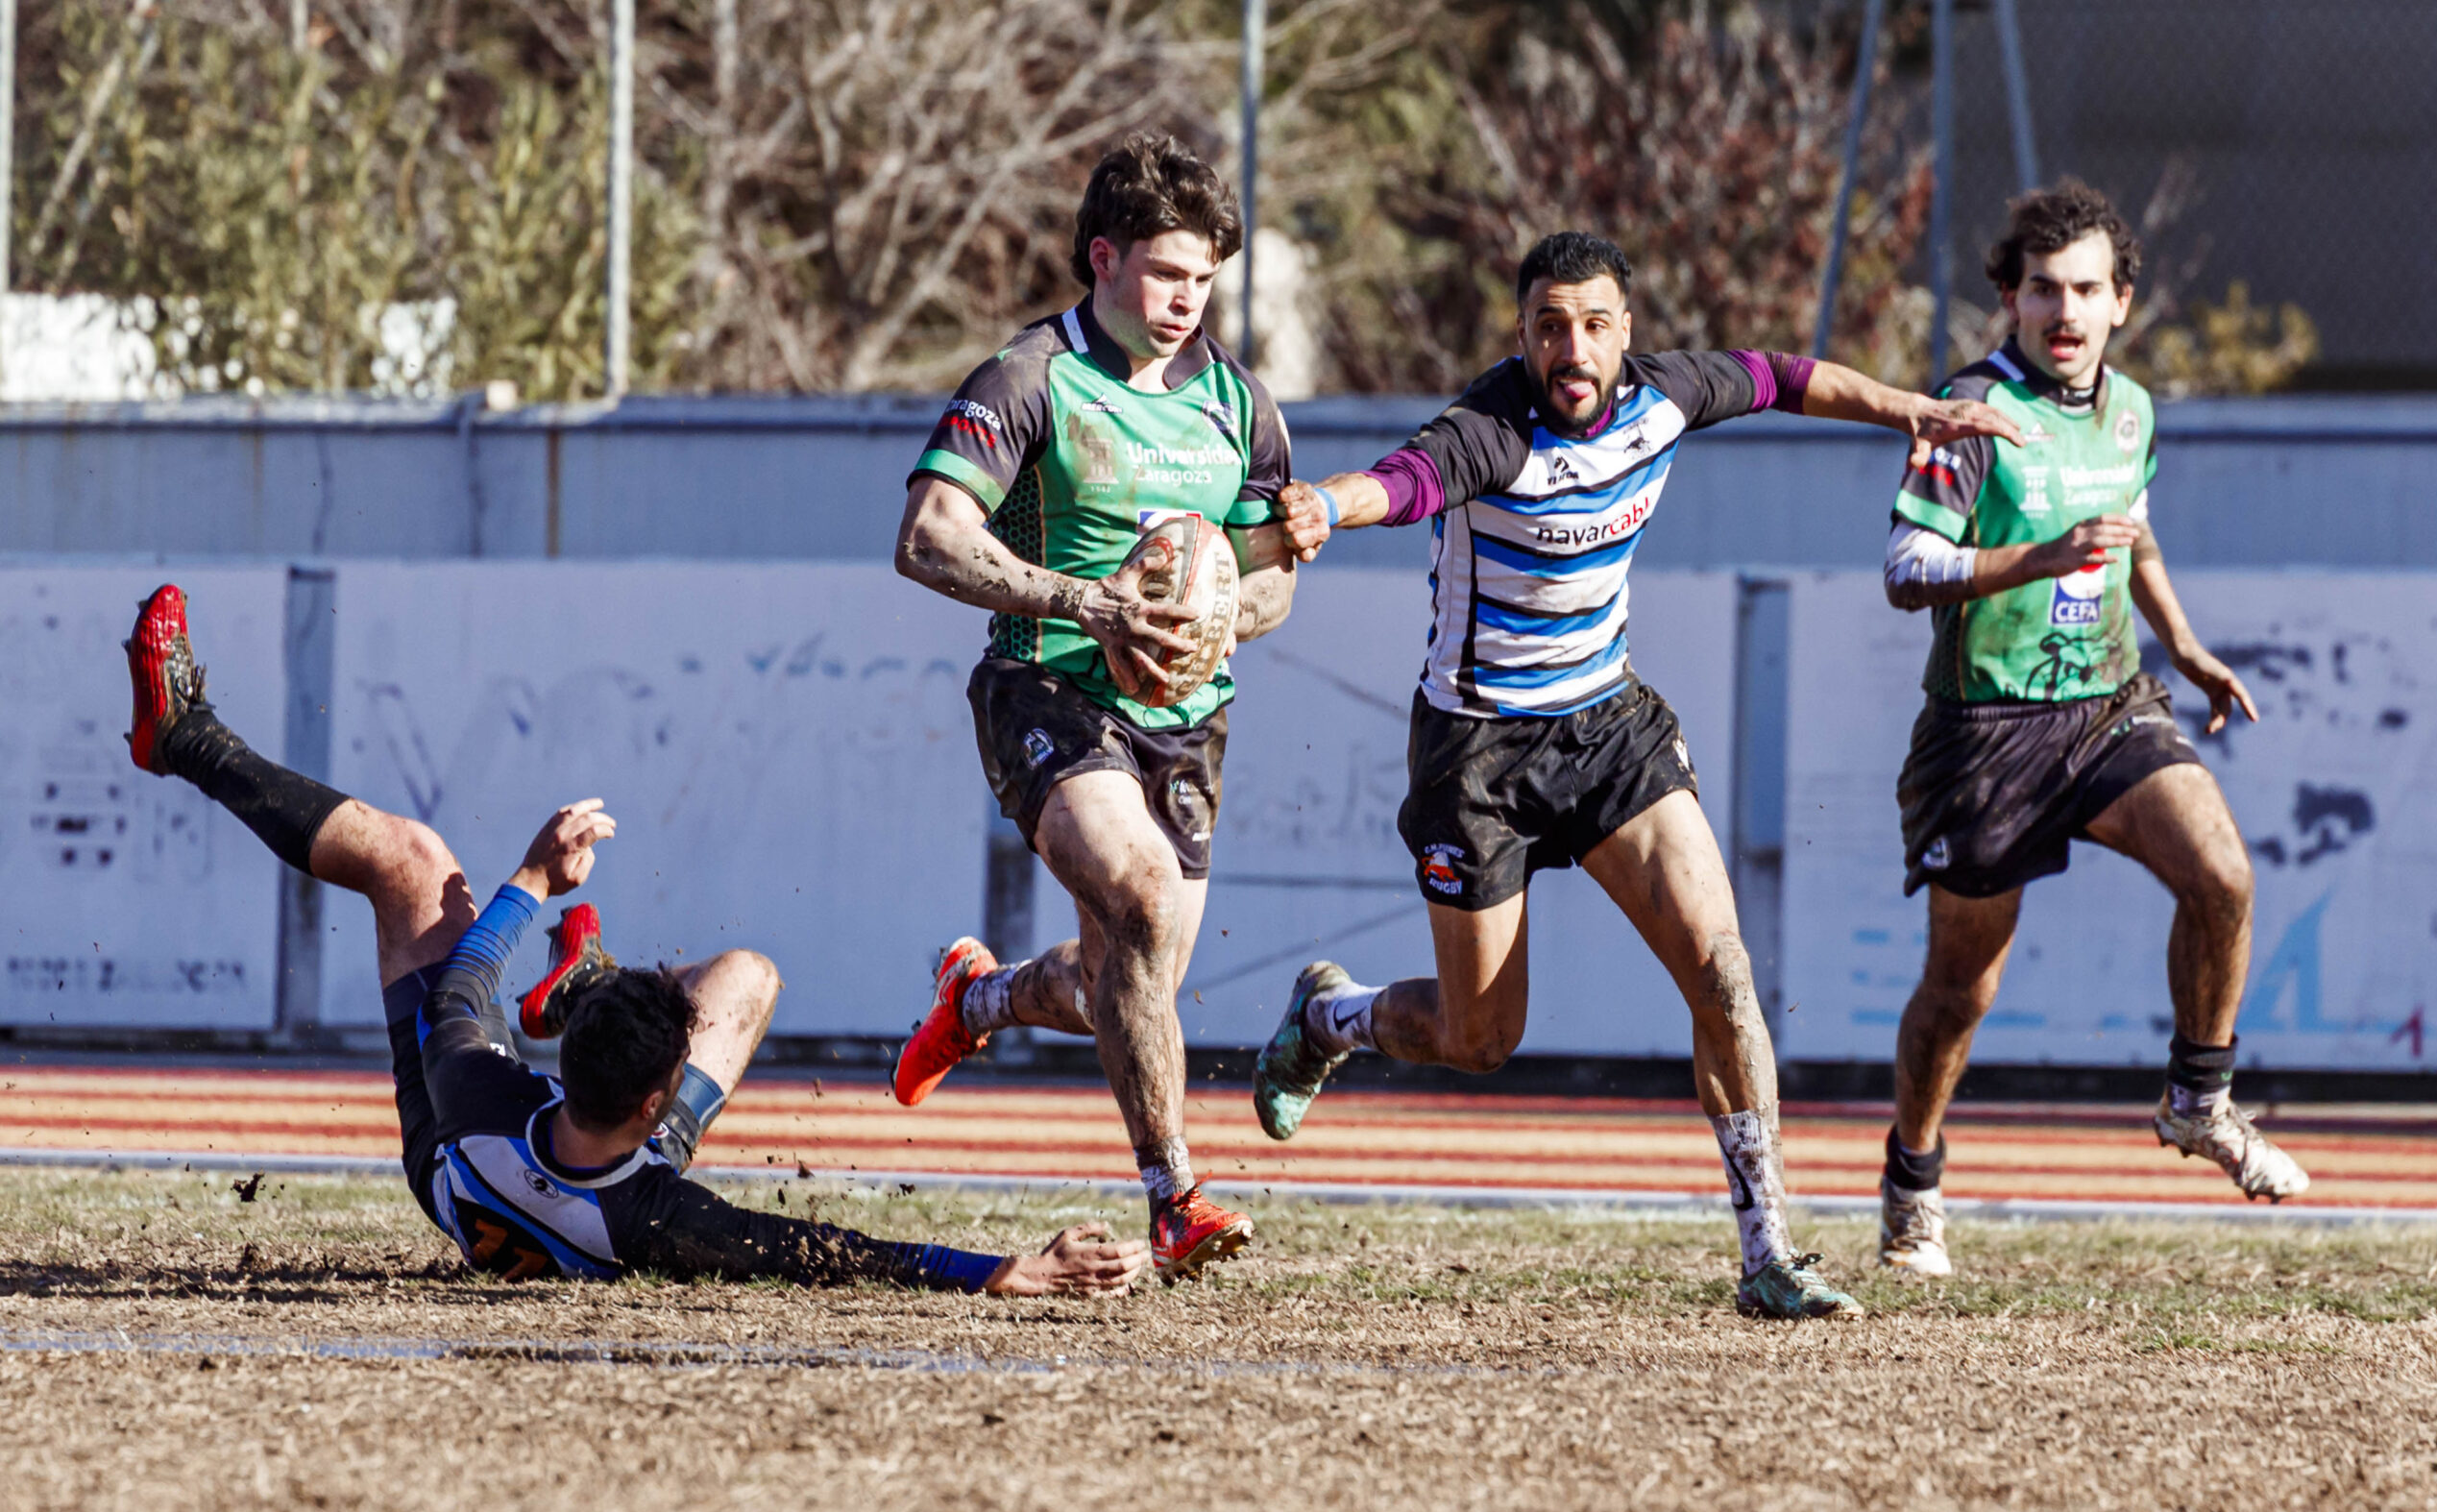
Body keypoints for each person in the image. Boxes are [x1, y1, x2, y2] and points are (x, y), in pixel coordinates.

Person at [1250, 231, 2024, 1320]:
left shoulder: (1666, 395)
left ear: (1626, 332)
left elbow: (1788, 377)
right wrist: (1327, 508)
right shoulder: (1488, 430)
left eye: (1595, 324)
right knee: (1480, 1041)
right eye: (1550, 326)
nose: (1574, 348)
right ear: (1520, 335)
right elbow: (1403, 481)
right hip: (1478, 754)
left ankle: (1768, 1257)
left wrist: (1911, 410)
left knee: (1721, 970)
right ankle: (1330, 1019)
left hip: (1609, 728)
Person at [123, 583, 1141, 1295]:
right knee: (749, 975)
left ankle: (191, 741)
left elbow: (466, 978)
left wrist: (531, 877)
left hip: (453, 1163)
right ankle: (589, 979)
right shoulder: (656, 1215)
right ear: (658, 1104)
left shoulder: (479, 1093)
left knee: (410, 860)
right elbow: (824, 1248)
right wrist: (1011, 1273)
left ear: (558, 1071)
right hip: (585, 1193)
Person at [1870, 182, 2306, 1274]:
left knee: (2223, 878)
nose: (2061, 312)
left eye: (2083, 291)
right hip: (1987, 733)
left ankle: (2197, 1102)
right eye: (2039, 291)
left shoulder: (2132, 411)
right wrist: (2035, 560)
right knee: (1961, 990)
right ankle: (1911, 1180)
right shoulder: (1970, 412)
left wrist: (2185, 642)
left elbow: (2134, 532)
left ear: (2120, 301)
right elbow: (1905, 568)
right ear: (2009, 302)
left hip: (2107, 706)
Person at [889, 132, 1303, 1280]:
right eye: (1168, 274)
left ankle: (980, 998)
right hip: (1046, 684)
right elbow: (926, 536)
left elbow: (1271, 578)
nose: (1188, 299)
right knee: (1139, 898)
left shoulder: (1237, 404)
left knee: (1136, 974)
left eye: (1206, 278)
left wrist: (1226, 612)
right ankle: (1175, 1196)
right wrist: (1092, 602)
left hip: (1186, 716)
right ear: (1103, 257)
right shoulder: (1030, 377)